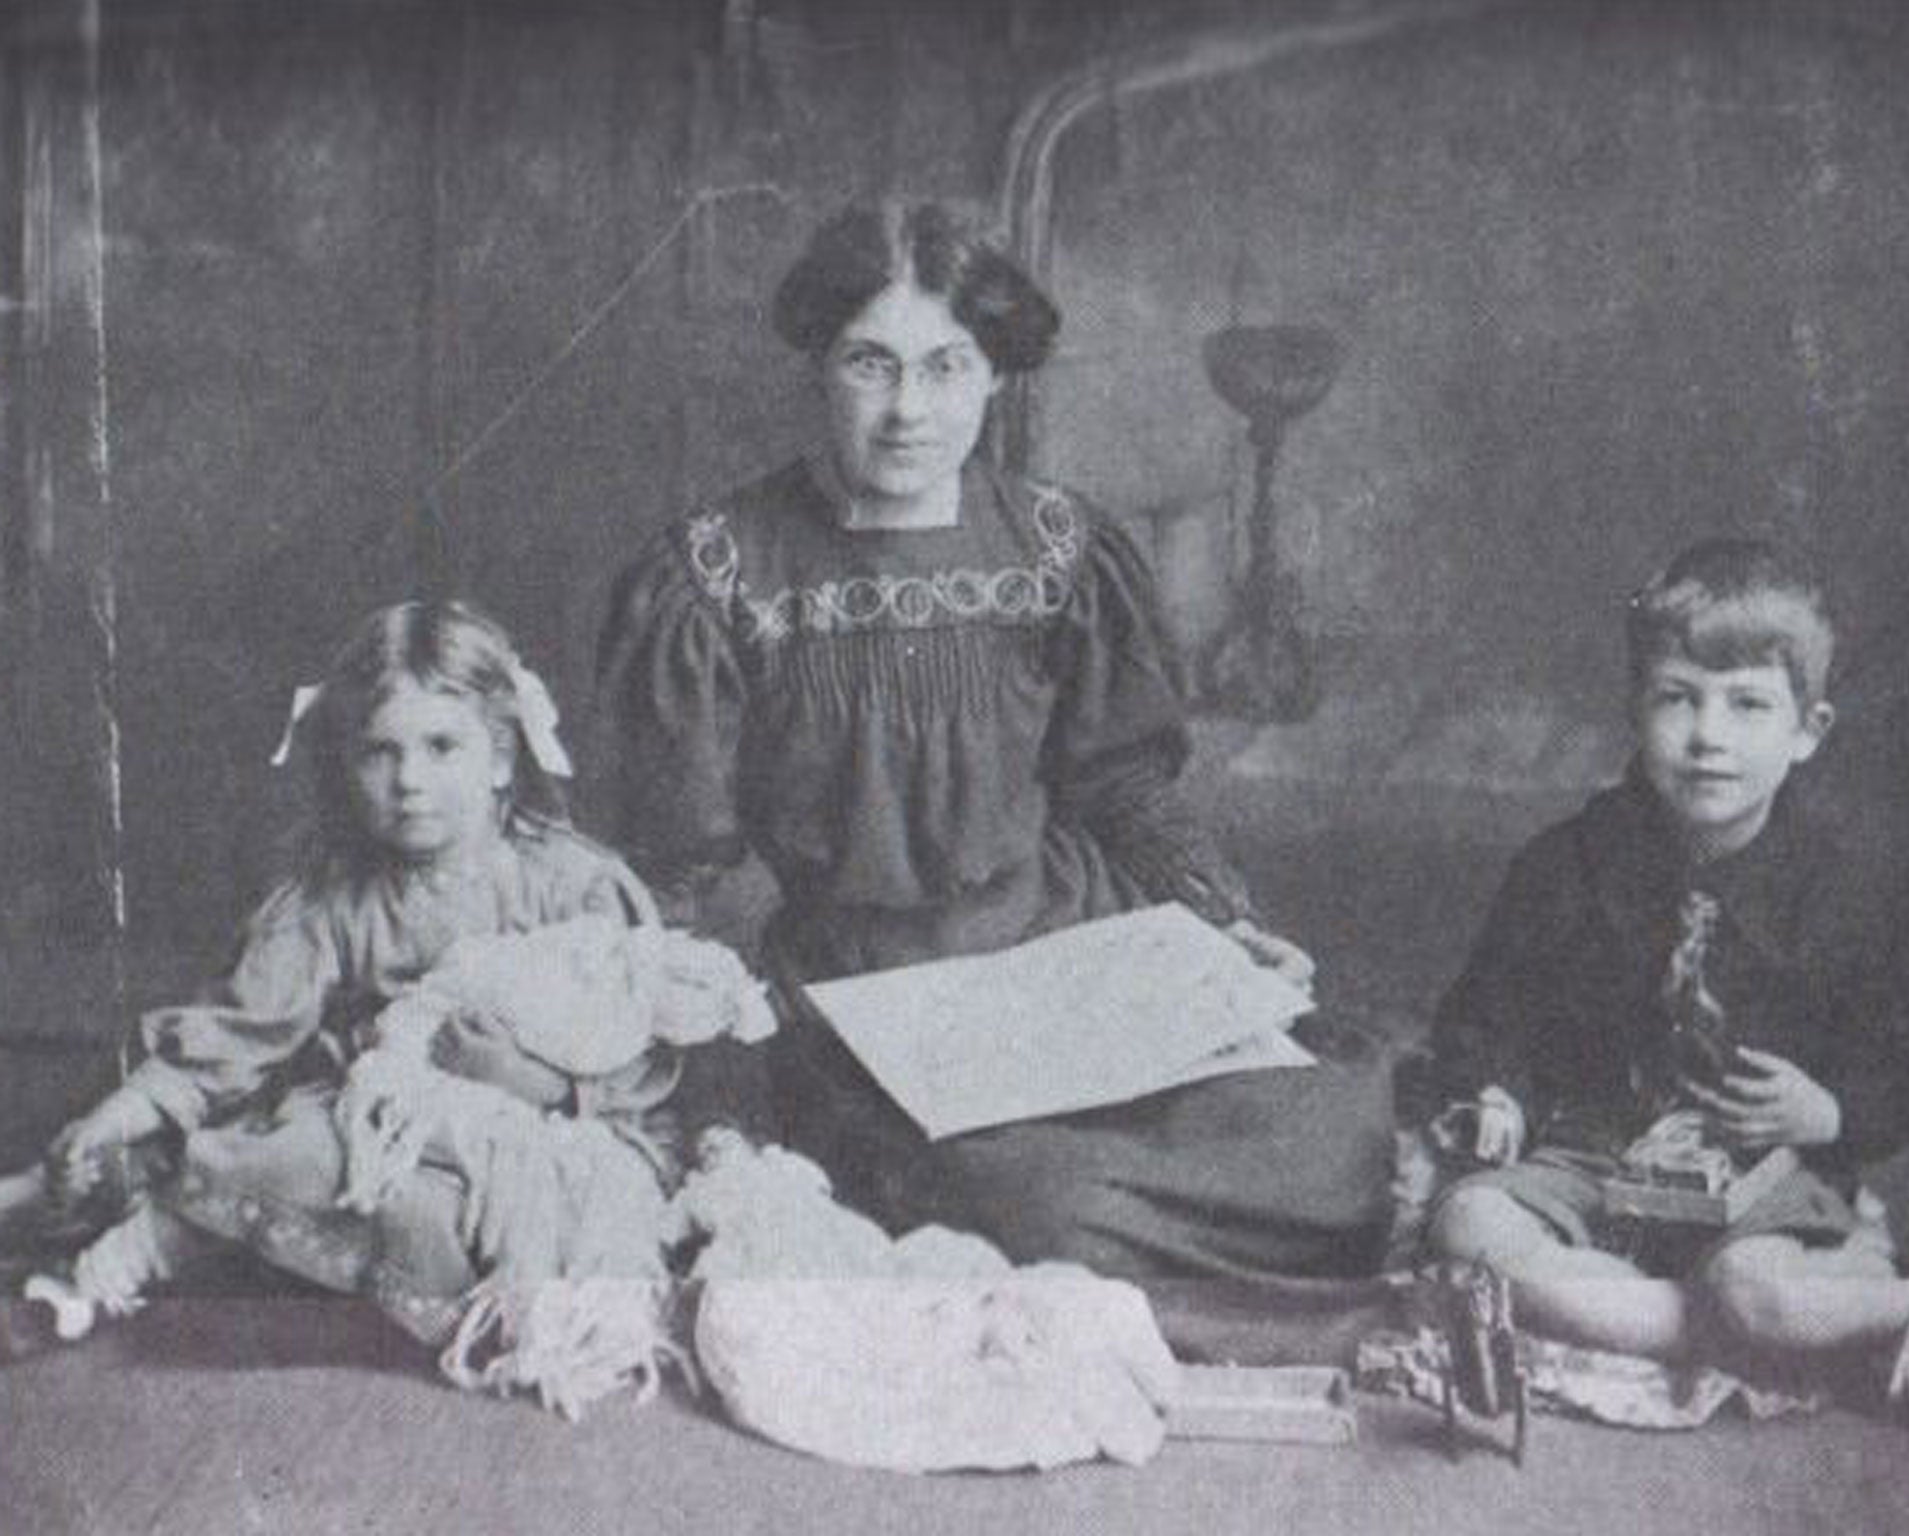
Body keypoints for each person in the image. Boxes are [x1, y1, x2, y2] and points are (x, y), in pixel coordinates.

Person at [600, 199, 1393, 1281]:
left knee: (1328, 1136)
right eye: (870, 365)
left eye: (948, 368)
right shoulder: (718, 573)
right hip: (861, 999)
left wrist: (1222, 922)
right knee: (1022, 1204)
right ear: (814, 370)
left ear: (993, 377)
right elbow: (682, 866)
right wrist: (716, 1028)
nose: (908, 412)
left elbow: (1122, 789)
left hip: (1068, 958)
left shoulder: (1059, 547)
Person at [8, 600, 699, 1361]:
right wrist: (121, 1113)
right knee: (309, 1154)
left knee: (462, 1223)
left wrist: (537, 1083)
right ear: (346, 765)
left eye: (442, 747)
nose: (409, 780)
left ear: (501, 758)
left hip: (539, 1142)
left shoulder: (577, 886)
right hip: (377, 1130)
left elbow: (646, 1057)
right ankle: (111, 1268)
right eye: (380, 752)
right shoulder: (328, 903)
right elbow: (233, 1037)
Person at [1426, 538, 1909, 1393]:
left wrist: (1827, 1111)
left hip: (1758, 1178)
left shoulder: (1839, 891)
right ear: (1635, 709)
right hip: (1592, 1153)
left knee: (1760, 1292)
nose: (1708, 737)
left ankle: (1832, 1309)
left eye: (1748, 706)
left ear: (1807, 733)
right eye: (1678, 699)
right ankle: (1679, 1329)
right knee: (1468, 1225)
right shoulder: (1568, 865)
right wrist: (1497, 1092)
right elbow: (1485, 1015)